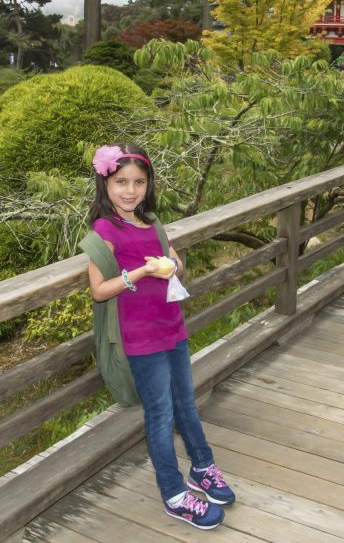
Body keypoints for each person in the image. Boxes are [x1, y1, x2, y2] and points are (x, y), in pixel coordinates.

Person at [85, 142, 236, 530]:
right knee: (160, 413)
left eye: (138, 181)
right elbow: (99, 290)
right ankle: (172, 493)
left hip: (171, 325)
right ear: (106, 184)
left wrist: (173, 265)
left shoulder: (151, 221)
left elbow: (176, 261)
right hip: (139, 336)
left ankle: (202, 467)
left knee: (186, 400)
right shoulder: (104, 229)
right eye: (121, 182)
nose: (130, 190)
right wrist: (141, 274)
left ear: (148, 184)